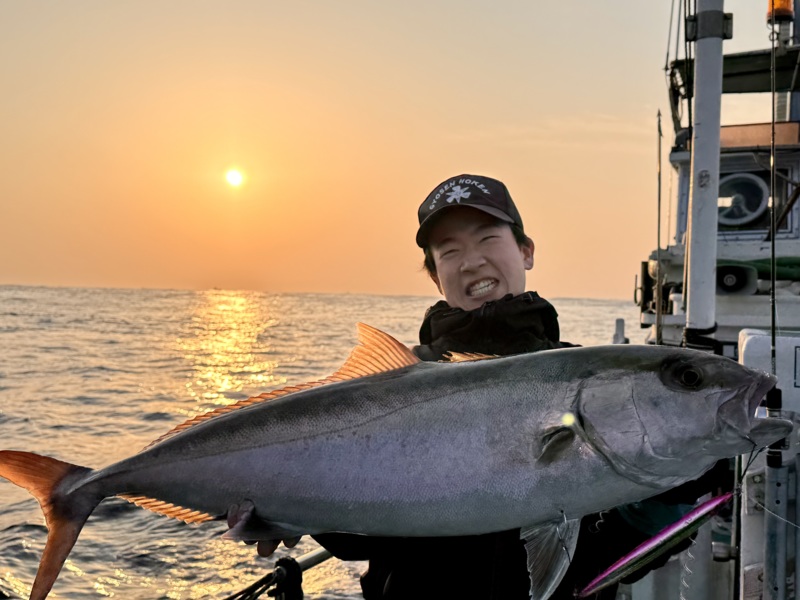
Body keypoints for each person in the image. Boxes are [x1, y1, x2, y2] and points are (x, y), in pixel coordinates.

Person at [230, 174, 729, 599]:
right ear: (435, 275)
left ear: (526, 251)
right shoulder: (396, 382)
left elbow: (616, 555)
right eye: (450, 251)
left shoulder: (590, 380)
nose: (471, 262)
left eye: (488, 238)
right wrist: (290, 512)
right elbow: (362, 540)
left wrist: (670, 494)